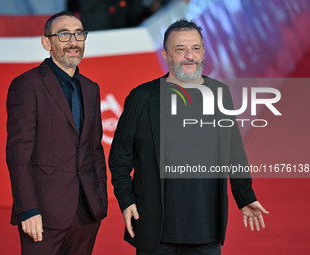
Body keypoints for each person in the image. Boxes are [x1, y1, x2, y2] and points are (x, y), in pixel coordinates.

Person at [109, 19, 268, 254]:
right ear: (165, 54)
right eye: (180, 49)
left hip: (206, 231)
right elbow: (119, 159)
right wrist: (126, 200)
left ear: (203, 51)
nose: (189, 56)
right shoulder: (142, 98)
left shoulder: (219, 94)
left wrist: (244, 195)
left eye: (195, 48)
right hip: (156, 231)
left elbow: (234, 153)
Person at [6, 11, 107, 255]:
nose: (73, 42)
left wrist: (99, 198)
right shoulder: (27, 84)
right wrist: (27, 209)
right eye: (64, 35)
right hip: (43, 215)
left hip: (87, 213)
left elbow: (93, 148)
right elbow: (18, 156)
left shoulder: (91, 88)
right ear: (46, 43)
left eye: (79, 34)